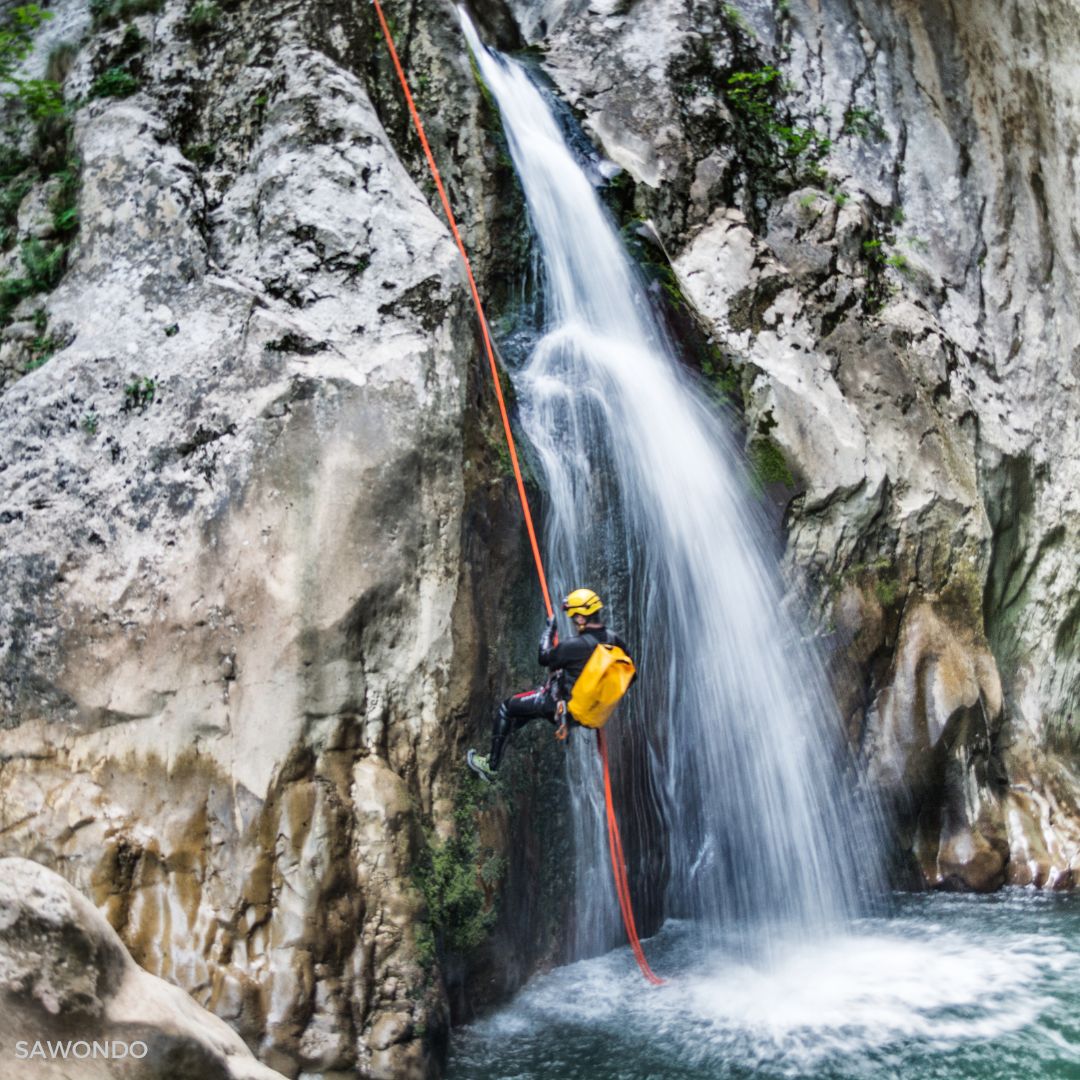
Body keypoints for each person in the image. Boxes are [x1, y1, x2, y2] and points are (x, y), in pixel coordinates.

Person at [466, 588, 633, 782]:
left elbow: (544, 657)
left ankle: (491, 766)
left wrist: (549, 629)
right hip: (583, 715)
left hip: (557, 707)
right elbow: (628, 674)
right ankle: (502, 736)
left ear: (580, 618)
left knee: (507, 708)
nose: (572, 620)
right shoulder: (614, 640)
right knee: (526, 712)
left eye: (573, 616)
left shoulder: (574, 646)